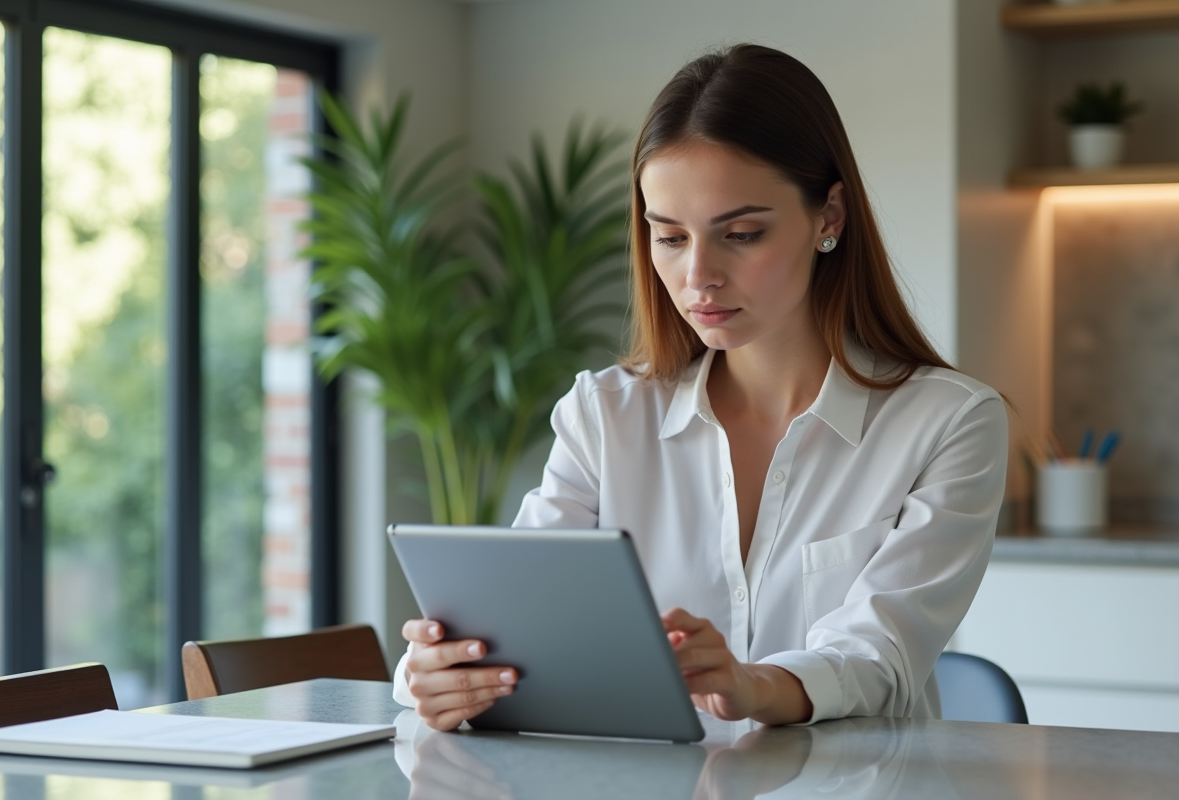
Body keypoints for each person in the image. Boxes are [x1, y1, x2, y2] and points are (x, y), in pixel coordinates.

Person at [393, 43, 1007, 732]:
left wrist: (755, 686)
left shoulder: (950, 423)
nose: (698, 277)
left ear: (829, 216)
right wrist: (442, 672)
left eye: (741, 234)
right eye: (670, 237)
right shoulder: (603, 416)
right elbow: (517, 622)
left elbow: (882, 656)